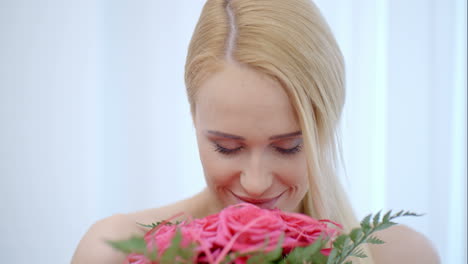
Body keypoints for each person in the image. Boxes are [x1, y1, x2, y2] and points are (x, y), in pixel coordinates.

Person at [71, 0, 440, 263]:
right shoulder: (115, 249)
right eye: (227, 147)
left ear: (326, 123)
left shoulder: (403, 256)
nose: (256, 185)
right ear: (193, 121)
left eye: (290, 146)